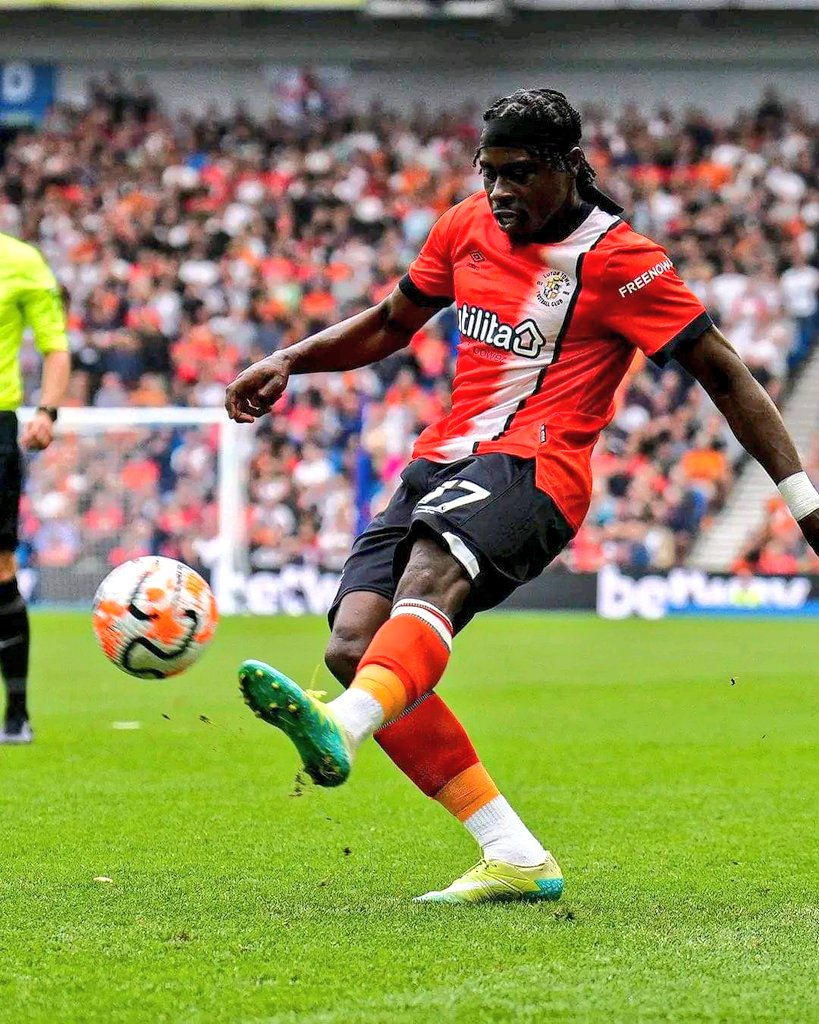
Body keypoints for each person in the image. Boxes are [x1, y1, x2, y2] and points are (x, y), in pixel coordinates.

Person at [225, 89, 819, 904]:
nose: (499, 190)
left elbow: (723, 373)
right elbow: (392, 322)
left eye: (518, 174)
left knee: (428, 577)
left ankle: (343, 727)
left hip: (539, 467)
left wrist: (803, 502)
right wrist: (291, 358)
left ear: (566, 169)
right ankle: (513, 852)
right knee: (353, 648)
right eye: (489, 172)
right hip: (441, 459)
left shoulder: (620, 260)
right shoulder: (466, 225)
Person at [0, 233, 70, 744]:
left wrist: (46, 410)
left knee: (1, 569)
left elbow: (54, 346)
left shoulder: (21, 261)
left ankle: (16, 712)